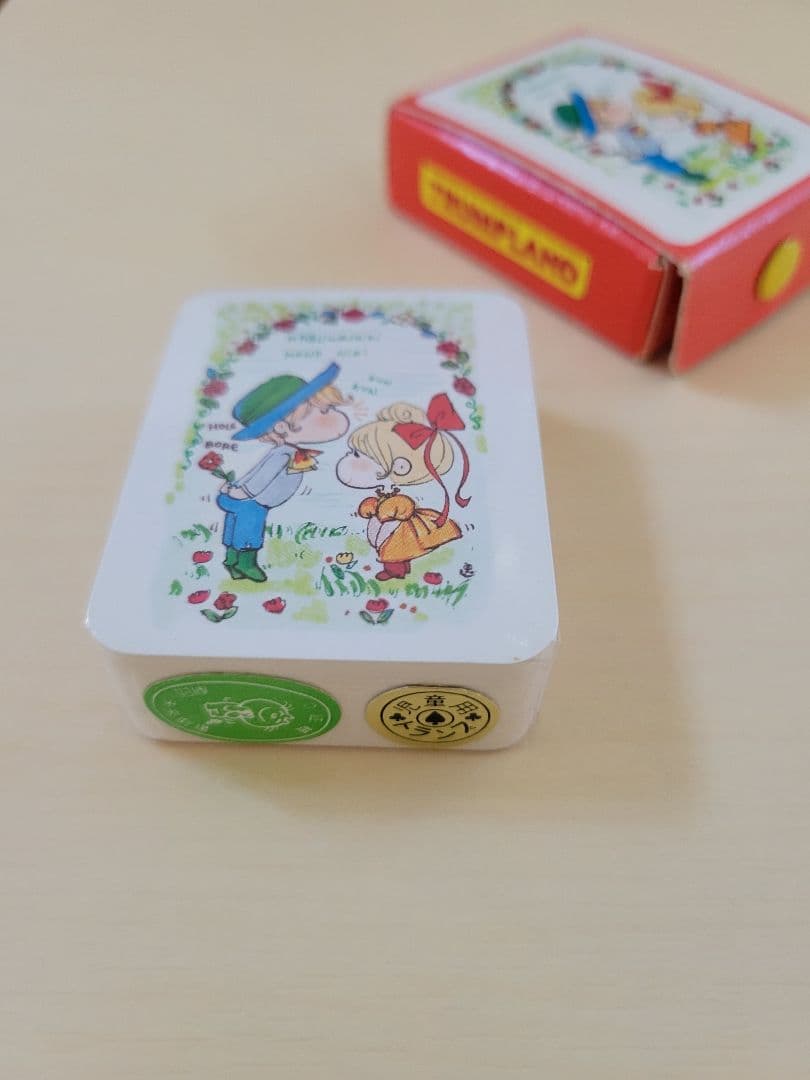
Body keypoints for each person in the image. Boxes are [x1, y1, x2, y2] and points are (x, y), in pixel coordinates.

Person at [217, 363, 350, 582]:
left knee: (235, 527)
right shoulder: (283, 454)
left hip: (249, 497)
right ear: (281, 427)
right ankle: (245, 564)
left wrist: (234, 490)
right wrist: (242, 492)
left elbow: (257, 473)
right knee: (248, 533)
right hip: (254, 501)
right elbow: (260, 478)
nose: (338, 416)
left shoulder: (287, 452)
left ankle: (232, 562)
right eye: (325, 410)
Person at [336, 393, 470, 581]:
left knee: (396, 551)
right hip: (388, 526)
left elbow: (402, 508)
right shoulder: (385, 492)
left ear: (399, 467)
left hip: (401, 530)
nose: (346, 458)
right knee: (387, 547)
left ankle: (396, 572)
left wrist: (385, 509)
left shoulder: (399, 499)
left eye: (357, 454)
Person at [554, 91, 707, 182]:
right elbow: (620, 148)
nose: (606, 109)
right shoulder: (614, 136)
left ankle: (684, 169)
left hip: (649, 138)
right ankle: (683, 172)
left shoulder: (623, 112)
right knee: (659, 159)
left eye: (604, 105)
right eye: (597, 114)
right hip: (642, 149)